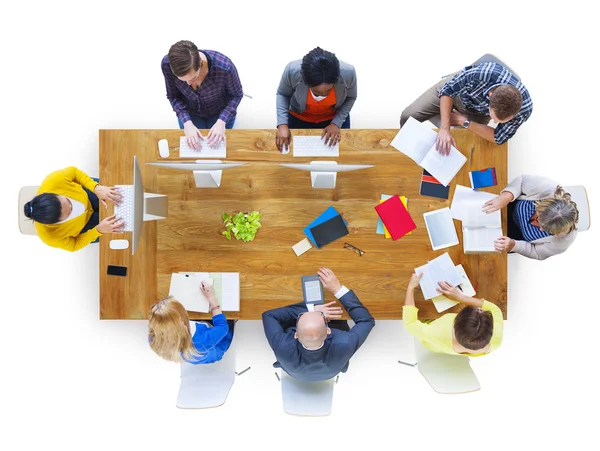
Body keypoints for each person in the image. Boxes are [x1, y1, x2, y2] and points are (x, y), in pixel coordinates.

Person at [262, 267, 375, 381]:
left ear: (296, 334)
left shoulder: (282, 346)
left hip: (297, 371)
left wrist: (310, 309)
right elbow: (366, 321)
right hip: (330, 370)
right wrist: (338, 290)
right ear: (328, 330)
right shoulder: (345, 343)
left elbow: (268, 316)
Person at [399, 61, 532, 154]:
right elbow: (447, 91)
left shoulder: (524, 109)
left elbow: (498, 137)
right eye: (494, 118)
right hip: (455, 93)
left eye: (498, 121)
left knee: (460, 147)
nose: (495, 123)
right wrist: (444, 129)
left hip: (477, 113)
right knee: (407, 116)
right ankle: (413, 151)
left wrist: (463, 121)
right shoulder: (481, 73)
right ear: (490, 96)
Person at [161, 40, 243, 150]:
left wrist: (222, 121)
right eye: (182, 80)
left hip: (220, 114)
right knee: (193, 154)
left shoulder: (224, 67)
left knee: (218, 154)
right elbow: (173, 96)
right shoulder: (167, 65)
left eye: (193, 78)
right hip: (190, 114)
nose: (188, 83)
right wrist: (187, 123)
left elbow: (236, 95)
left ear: (200, 63)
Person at [275, 47, 357, 152]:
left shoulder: (348, 73)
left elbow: (351, 97)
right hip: (298, 118)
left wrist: (336, 123)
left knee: (337, 159)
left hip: (334, 119)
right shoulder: (292, 70)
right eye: (316, 91)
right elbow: (282, 94)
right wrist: (282, 125)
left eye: (327, 90)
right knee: (297, 160)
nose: (322, 95)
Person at [24, 166, 123, 252]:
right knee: (123, 228)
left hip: (88, 192)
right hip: (87, 226)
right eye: (69, 213)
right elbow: (74, 245)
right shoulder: (49, 237)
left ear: (52, 193)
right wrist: (98, 230)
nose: (72, 207)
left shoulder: (52, 181)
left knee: (122, 190)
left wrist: (95, 187)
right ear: (49, 224)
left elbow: (74, 172)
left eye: (68, 201)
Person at [482, 174, 579, 260]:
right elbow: (522, 181)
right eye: (538, 218)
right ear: (542, 204)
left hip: (513, 237)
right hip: (507, 205)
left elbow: (536, 253)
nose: (539, 227)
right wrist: (506, 197)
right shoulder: (549, 188)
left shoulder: (563, 242)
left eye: (546, 229)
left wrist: (513, 245)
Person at [403, 274, 503, 356]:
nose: (479, 308)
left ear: (455, 322)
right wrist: (461, 297)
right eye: (481, 310)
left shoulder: (436, 333)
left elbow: (410, 323)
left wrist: (410, 287)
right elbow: (495, 309)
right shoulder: (496, 341)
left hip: (431, 326)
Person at [148, 282, 234, 364]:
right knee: (230, 314)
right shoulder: (200, 341)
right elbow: (222, 328)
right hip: (216, 344)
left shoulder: (154, 338)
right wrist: (212, 298)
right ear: (181, 321)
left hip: (196, 345)